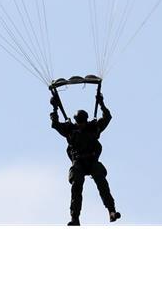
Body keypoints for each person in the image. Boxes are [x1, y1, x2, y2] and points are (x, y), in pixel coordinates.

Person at [50, 90, 121, 225]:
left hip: (92, 161)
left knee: (102, 182)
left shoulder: (94, 127)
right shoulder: (70, 129)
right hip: (79, 163)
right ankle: (75, 218)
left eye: (83, 122)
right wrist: (54, 107)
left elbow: (107, 117)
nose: (81, 125)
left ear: (86, 120)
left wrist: (101, 103)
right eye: (79, 122)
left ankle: (111, 211)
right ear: (76, 121)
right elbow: (55, 124)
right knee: (76, 186)